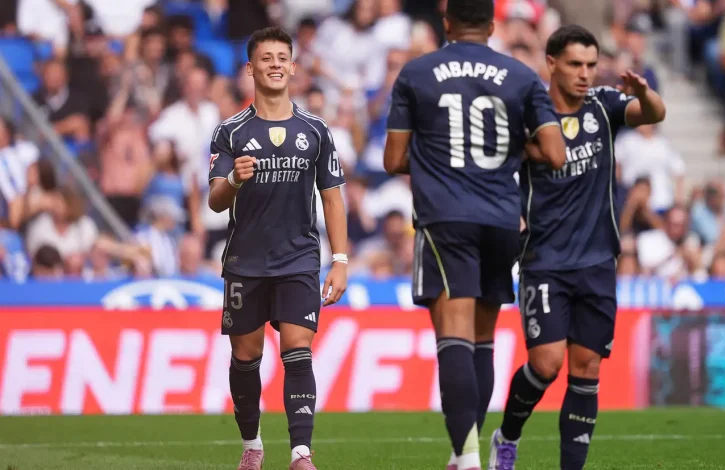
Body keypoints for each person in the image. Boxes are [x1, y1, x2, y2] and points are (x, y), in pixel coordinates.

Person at [383, 0, 566, 468]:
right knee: (483, 339)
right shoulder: (522, 76)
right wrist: (510, 149)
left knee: (454, 336)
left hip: (446, 217)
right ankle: (462, 452)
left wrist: (439, 155)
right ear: (491, 24)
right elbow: (555, 153)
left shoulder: (417, 73)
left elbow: (393, 159)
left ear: (446, 23)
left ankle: (466, 458)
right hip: (502, 221)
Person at [487, 25, 666, 470]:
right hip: (545, 260)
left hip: (598, 260)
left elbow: (655, 113)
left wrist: (644, 93)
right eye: (575, 65)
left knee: (586, 368)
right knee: (546, 364)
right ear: (552, 63)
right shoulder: (528, 114)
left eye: (590, 64)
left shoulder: (603, 105)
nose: (585, 74)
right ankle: (507, 437)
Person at [207, 27, 348, 470]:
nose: (275, 64)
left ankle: (301, 453)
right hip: (245, 261)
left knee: (297, 349)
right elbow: (215, 201)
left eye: (282, 58)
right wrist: (234, 179)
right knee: (246, 357)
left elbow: (332, 197)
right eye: (266, 58)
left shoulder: (315, 130)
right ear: (250, 69)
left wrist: (340, 260)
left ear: (293, 66)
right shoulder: (230, 132)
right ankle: (252, 444)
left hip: (299, 258)